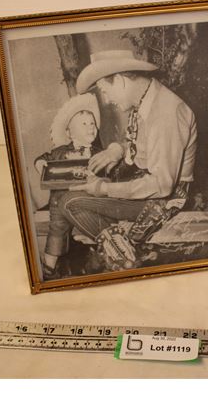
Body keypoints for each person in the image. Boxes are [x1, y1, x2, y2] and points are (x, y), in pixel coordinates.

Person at [56, 49, 198, 272]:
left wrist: (103, 189)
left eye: (105, 91)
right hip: (148, 187)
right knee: (71, 195)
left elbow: (161, 185)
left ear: (120, 81)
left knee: (68, 202)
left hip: (164, 200)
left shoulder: (166, 113)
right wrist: (117, 150)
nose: (107, 100)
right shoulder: (147, 101)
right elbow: (141, 144)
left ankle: (124, 258)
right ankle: (122, 249)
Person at [34, 92, 102, 279]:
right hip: (61, 200)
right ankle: (49, 266)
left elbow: (109, 171)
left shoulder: (99, 152)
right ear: (70, 133)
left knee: (98, 223)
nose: (91, 127)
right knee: (57, 228)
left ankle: (99, 258)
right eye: (84, 124)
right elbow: (43, 159)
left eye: (93, 123)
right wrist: (41, 165)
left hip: (89, 200)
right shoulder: (60, 152)